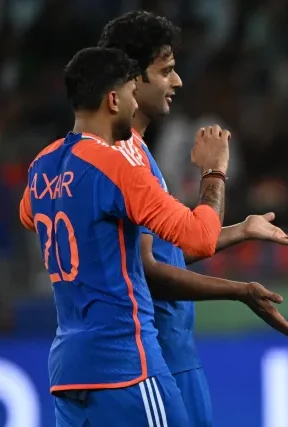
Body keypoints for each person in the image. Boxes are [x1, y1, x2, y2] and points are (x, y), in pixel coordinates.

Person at [97, 11, 288, 426]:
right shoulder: (124, 158)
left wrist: (240, 230)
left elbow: (156, 253)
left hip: (166, 353)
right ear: (132, 78)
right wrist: (214, 172)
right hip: (156, 358)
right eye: (165, 71)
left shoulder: (132, 151)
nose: (177, 82)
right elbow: (149, 270)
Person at [18, 47, 226, 426]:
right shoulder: (117, 166)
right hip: (125, 367)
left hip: (68, 374)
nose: (135, 105)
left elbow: (29, 215)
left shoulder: (41, 166)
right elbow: (201, 237)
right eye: (132, 94)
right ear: (113, 100)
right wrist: (214, 172)